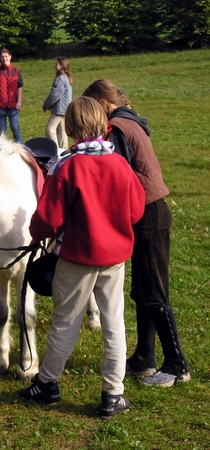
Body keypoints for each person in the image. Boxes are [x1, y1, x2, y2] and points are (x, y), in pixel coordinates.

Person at [19, 97, 145, 417]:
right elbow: (136, 209)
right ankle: (113, 394)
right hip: (114, 257)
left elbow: (48, 220)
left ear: (71, 128)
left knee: (65, 322)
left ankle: (47, 384)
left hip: (77, 256)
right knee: (113, 321)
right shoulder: (120, 164)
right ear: (104, 124)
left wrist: (35, 233)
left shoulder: (67, 165)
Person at [82, 79, 191, 387]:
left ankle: (176, 363)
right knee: (142, 291)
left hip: (148, 215)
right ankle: (144, 357)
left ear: (102, 104)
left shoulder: (117, 128)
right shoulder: (131, 119)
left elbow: (117, 177)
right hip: (150, 213)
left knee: (154, 292)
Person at [0, 48, 23, 143]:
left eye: (6, 56)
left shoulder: (17, 71)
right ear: (0, 58)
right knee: (2, 132)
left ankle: (20, 149)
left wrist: (19, 102)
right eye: (2, 57)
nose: (4, 59)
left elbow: (19, 87)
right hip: (0, 105)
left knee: (15, 128)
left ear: (10, 57)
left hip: (13, 106)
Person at [43, 57, 73, 149]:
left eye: (56, 64)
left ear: (62, 66)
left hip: (59, 109)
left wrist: (46, 105)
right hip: (66, 108)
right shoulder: (66, 77)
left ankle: (54, 150)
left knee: (49, 129)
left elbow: (55, 95)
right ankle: (63, 151)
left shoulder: (60, 78)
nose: (55, 66)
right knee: (62, 130)